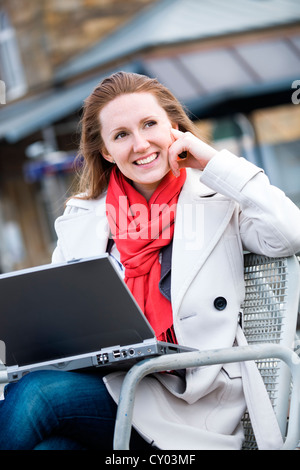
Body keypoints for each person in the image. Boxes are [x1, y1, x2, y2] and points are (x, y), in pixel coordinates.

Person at [0, 71, 300, 450]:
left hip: (194, 400)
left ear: (174, 127)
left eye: (149, 124)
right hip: (113, 386)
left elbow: (290, 233)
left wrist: (211, 162)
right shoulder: (84, 218)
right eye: (121, 134)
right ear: (106, 150)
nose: (140, 144)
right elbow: (65, 328)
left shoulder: (217, 198)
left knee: (38, 395)